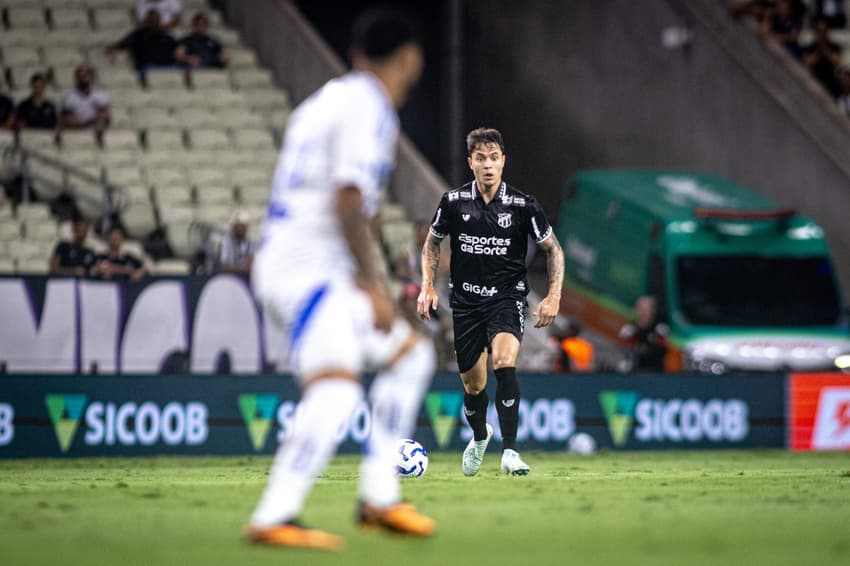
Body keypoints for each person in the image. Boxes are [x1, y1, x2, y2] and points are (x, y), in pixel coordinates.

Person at [246, 8, 435, 551]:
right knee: (335, 389)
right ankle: (274, 514)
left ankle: (380, 496)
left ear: (354, 54)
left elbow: (362, 205)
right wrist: (373, 286)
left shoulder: (324, 101)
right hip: (307, 272)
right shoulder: (369, 106)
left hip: (303, 264)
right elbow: (349, 200)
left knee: (410, 356)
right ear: (410, 59)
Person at [417, 127, 565, 477]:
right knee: (473, 386)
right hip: (466, 304)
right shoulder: (453, 202)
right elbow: (431, 244)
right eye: (481, 158)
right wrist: (427, 286)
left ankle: (510, 451)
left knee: (504, 360)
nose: (488, 165)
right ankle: (481, 434)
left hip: (507, 299)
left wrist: (554, 296)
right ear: (470, 163)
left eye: (494, 158)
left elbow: (553, 250)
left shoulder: (523, 205)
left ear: (503, 161)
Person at [107, 10, 179, 74]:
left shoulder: (167, 37)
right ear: (146, 21)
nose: (154, 24)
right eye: (151, 21)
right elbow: (120, 45)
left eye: (156, 21)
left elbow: (178, 51)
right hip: (147, 70)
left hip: (169, 69)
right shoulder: (137, 35)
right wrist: (112, 49)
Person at [58, 64, 111, 143]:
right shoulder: (69, 97)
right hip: (74, 138)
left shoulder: (101, 96)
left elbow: (106, 118)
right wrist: (89, 121)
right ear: (76, 77)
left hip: (95, 137)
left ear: (91, 76)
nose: (84, 76)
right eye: (81, 74)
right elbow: (68, 121)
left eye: (87, 73)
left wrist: (100, 122)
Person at [618, 295, 669, 373]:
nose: (644, 312)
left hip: (657, 372)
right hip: (633, 373)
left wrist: (642, 349)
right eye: (641, 309)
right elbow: (627, 351)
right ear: (636, 310)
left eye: (648, 309)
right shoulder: (628, 330)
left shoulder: (660, 329)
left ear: (653, 310)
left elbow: (662, 351)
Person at [804, 16, 843, 97]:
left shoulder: (834, 47)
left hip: (830, 83)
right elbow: (807, 63)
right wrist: (818, 51)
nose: (821, 34)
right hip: (814, 83)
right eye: (819, 31)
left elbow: (837, 62)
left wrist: (825, 49)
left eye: (823, 31)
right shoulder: (810, 47)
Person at [218, 210, 255, 274]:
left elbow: (250, 266)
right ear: (233, 226)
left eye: (243, 225)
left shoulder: (250, 241)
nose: (241, 228)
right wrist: (242, 269)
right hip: (228, 278)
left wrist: (234, 269)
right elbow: (224, 267)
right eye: (239, 225)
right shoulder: (225, 241)